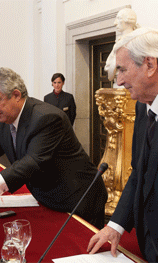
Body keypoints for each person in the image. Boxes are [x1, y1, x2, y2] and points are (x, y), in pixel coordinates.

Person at [0, 67, 108, 229]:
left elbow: (33, 161)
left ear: (16, 95)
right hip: (48, 197)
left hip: (79, 198)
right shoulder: (6, 118)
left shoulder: (47, 118)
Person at [87, 27, 158, 262]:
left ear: (150, 65)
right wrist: (115, 225)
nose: (119, 81)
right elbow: (139, 172)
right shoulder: (141, 105)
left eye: (123, 70)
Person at [105, 8, 140, 81]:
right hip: (119, 81)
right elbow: (108, 66)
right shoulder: (120, 41)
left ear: (128, 20)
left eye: (119, 18)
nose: (115, 23)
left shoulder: (135, 41)